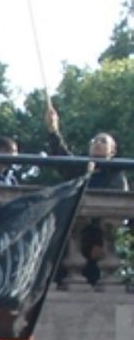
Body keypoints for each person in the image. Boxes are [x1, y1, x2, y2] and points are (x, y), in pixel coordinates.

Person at [46, 107, 128, 289]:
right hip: (75, 236)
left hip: (98, 240)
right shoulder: (83, 168)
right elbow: (61, 158)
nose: (97, 143)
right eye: (94, 141)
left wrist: (104, 242)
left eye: (103, 141)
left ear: (112, 151)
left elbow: (117, 213)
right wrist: (53, 131)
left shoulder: (115, 174)